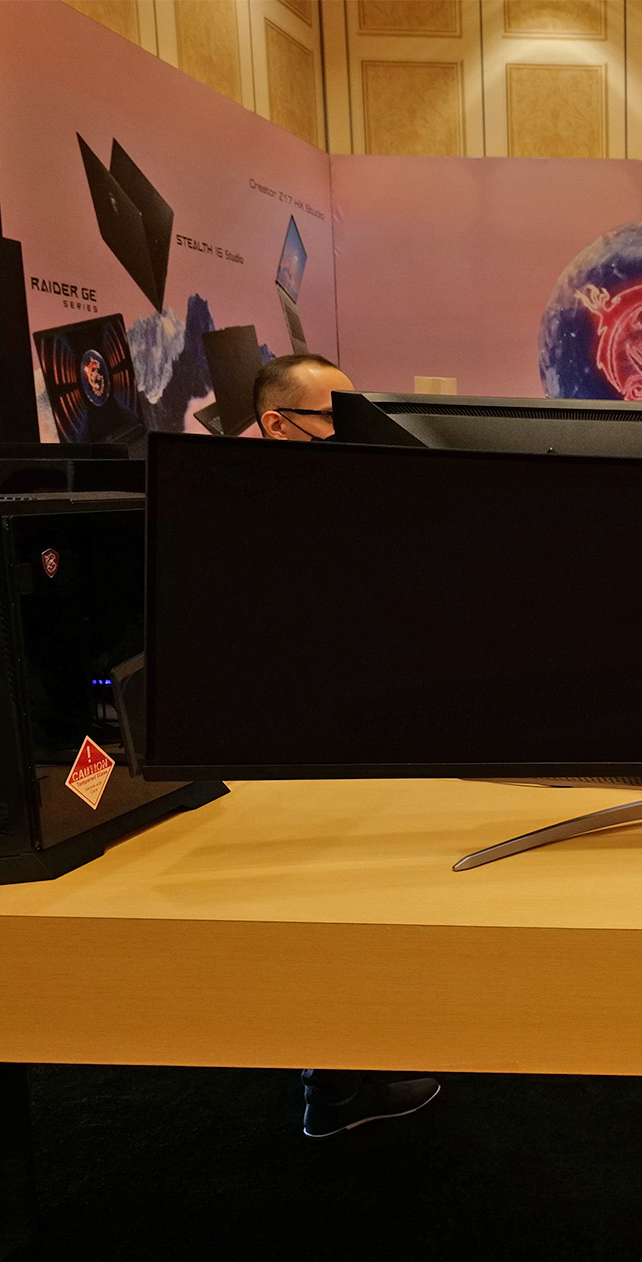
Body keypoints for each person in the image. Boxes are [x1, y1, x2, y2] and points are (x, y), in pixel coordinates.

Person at [254, 353, 442, 1138]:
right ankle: (334, 1075)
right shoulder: (258, 514)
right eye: (336, 419)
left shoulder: (290, 503)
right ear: (277, 424)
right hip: (293, 737)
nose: (355, 435)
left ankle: (336, 1073)